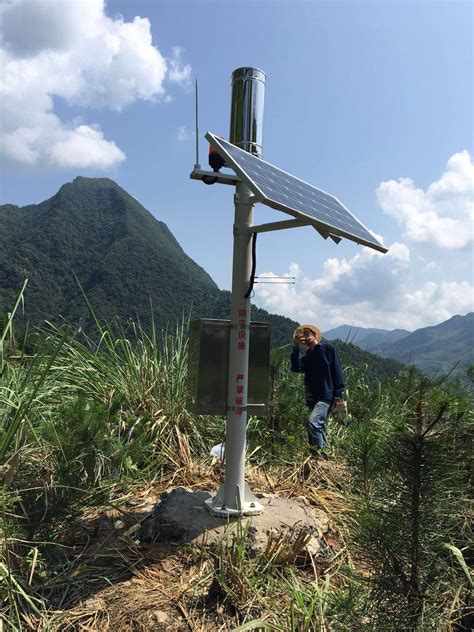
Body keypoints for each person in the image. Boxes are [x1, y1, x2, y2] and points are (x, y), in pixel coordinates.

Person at [290, 324, 345, 459]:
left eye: (308, 334)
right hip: (312, 398)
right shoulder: (307, 356)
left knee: (313, 422)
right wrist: (296, 346)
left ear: (315, 335)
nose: (306, 337)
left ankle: (319, 457)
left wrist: (338, 392)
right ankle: (323, 457)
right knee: (319, 427)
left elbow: (337, 370)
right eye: (303, 336)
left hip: (326, 395)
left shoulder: (328, 349)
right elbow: (297, 368)